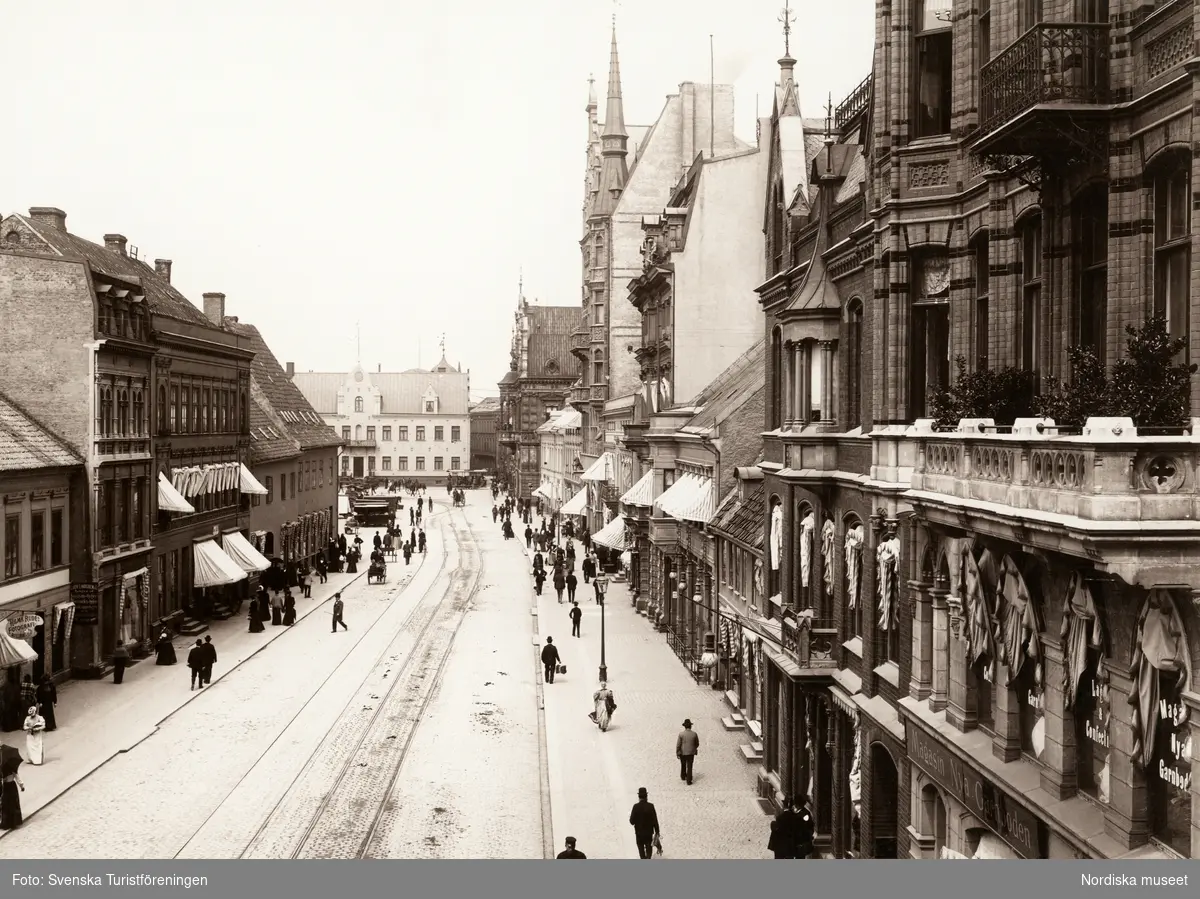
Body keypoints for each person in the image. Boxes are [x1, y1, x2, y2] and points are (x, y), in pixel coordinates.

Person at [629, 788, 660, 859]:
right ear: (646, 796)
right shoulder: (651, 806)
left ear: (639, 797)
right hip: (648, 834)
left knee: (642, 854)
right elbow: (655, 820)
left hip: (639, 834)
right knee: (649, 853)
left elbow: (631, 822)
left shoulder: (635, 807)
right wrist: (657, 832)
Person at [0, 762, 24, 830]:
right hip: (12, 786)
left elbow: (2, 780)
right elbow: (17, 778)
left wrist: (4, 779)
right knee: (13, 804)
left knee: (6, 805)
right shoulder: (13, 768)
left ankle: (6, 823)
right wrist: (22, 786)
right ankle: (14, 822)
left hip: (6, 787)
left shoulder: (2, 769)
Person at [676, 718, 700, 785]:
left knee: (683, 764)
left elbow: (678, 744)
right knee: (689, 766)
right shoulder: (694, 734)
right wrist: (693, 748)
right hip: (691, 753)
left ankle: (683, 776)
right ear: (690, 726)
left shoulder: (681, 734)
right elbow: (697, 743)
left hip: (683, 753)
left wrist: (677, 752)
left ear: (684, 726)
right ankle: (689, 780)